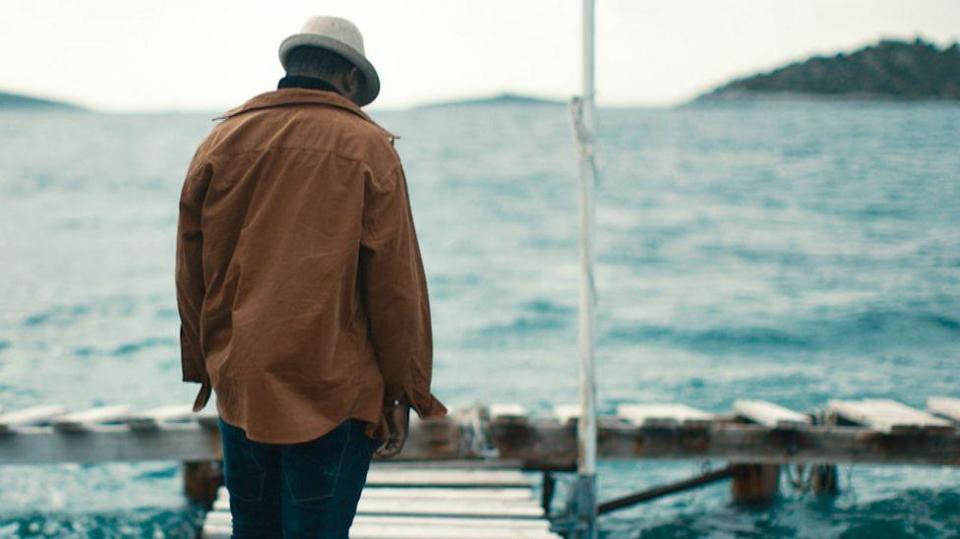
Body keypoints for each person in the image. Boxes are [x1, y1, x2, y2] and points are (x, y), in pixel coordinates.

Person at [174, 15, 447, 538]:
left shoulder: (220, 142)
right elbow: (395, 288)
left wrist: (210, 366)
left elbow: (191, 271)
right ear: (347, 79)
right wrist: (402, 391)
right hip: (333, 389)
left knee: (252, 531)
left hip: (244, 384)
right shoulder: (368, 148)